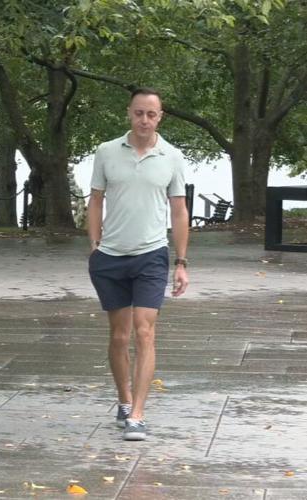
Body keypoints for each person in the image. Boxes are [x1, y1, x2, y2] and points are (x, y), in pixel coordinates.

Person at [87, 88, 190, 441]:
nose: (144, 120)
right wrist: (94, 244)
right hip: (111, 256)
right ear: (129, 113)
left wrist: (181, 261)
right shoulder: (105, 152)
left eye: (151, 114)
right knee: (119, 335)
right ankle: (124, 400)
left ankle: (139, 414)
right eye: (138, 113)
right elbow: (95, 200)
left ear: (160, 117)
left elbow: (179, 210)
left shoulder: (172, 157)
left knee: (145, 332)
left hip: (151, 254)